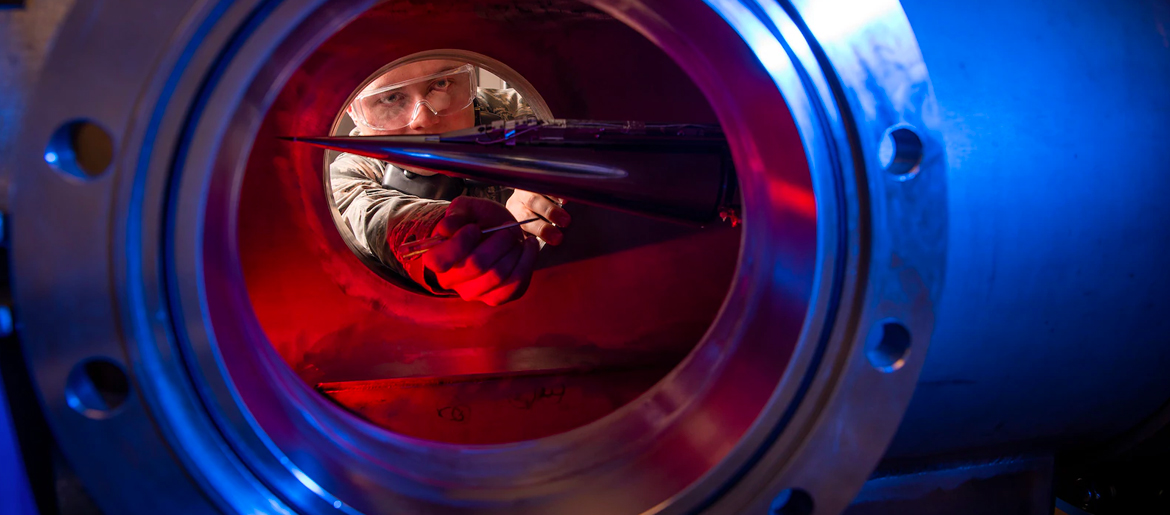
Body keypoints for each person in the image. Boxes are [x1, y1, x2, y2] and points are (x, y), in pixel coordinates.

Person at [331, 59, 571, 306]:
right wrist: (448, 237)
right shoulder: (348, 177)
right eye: (390, 98)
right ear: (352, 109)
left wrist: (549, 174)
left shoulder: (525, 113)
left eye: (441, 84)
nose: (423, 119)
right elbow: (377, 216)